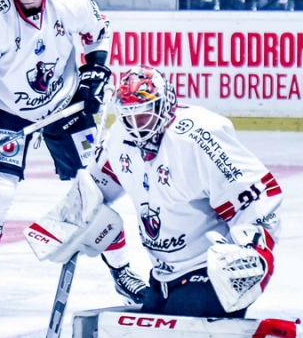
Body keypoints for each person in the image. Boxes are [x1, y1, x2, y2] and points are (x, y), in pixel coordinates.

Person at [0, 0, 147, 320]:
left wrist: (93, 72)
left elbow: (97, 33)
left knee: (93, 189)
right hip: (10, 110)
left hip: (66, 102)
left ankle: (122, 271)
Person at [85, 65, 281, 318]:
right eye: (128, 115)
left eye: (143, 114)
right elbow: (95, 191)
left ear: (165, 105)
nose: (136, 125)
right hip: (162, 276)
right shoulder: (120, 138)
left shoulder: (199, 138)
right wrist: (73, 218)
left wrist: (254, 251)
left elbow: (258, 194)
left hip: (210, 272)